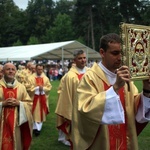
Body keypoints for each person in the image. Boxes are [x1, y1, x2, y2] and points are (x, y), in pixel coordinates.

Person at [72, 33, 150, 150]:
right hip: (101, 143)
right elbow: (85, 110)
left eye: (122, 53)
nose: (120, 58)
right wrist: (114, 88)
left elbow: (133, 107)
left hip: (124, 142)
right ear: (102, 53)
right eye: (115, 53)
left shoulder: (125, 77)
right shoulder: (89, 78)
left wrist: (147, 90)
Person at [55, 49, 88, 147]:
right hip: (76, 106)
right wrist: (69, 112)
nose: (83, 60)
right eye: (80, 58)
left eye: (84, 58)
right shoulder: (70, 76)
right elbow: (66, 95)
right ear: (74, 60)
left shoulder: (90, 72)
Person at [0, 63, 33, 150]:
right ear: (3, 71)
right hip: (1, 123)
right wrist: (2, 104)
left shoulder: (21, 87)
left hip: (16, 123)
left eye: (13, 69)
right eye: (8, 69)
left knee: (15, 142)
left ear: (15, 72)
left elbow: (29, 103)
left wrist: (20, 104)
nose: (10, 71)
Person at [28, 64, 52, 136]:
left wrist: (43, 89)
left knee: (41, 113)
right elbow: (28, 86)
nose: (40, 71)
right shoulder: (30, 78)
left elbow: (49, 87)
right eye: (38, 69)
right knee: (34, 112)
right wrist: (37, 88)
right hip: (34, 98)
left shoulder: (45, 78)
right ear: (35, 69)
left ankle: (38, 129)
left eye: (41, 69)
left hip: (42, 98)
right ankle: (34, 127)